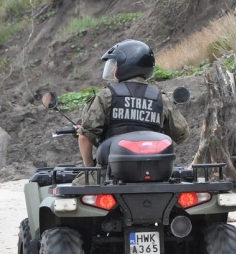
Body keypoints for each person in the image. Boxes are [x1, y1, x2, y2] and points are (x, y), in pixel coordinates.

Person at [77, 39, 190, 168]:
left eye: (116, 64)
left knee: (74, 186)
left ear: (128, 65)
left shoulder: (107, 96)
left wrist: (89, 166)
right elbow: (182, 134)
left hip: (112, 173)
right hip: (154, 172)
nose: (113, 69)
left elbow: (84, 137)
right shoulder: (160, 99)